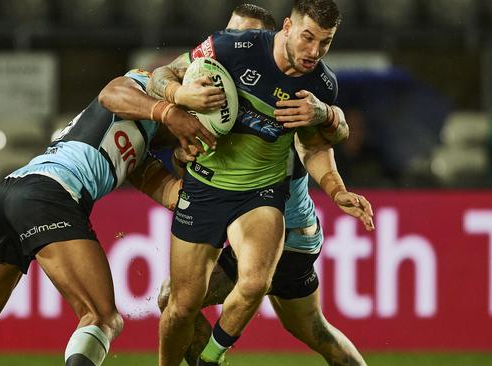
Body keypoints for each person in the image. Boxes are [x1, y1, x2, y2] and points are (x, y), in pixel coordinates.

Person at [0, 69, 214, 366]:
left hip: (12, 193)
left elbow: (173, 196)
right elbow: (110, 93)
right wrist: (169, 114)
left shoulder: (140, 150)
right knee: (102, 317)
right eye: (196, 123)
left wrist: (196, 169)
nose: (192, 130)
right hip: (49, 194)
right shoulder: (144, 87)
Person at [136, 5, 370, 365]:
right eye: (308, 38)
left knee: (219, 293)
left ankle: (211, 358)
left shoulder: (317, 85)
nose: (314, 51)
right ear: (288, 29)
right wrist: (181, 105)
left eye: (324, 43)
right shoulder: (227, 55)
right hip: (230, 203)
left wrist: (330, 125)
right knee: (181, 304)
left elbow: (323, 140)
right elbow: (165, 78)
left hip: (288, 228)